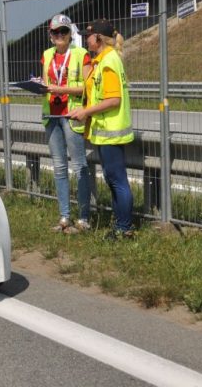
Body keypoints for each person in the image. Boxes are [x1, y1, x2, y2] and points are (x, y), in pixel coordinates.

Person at [68, 19, 135, 240]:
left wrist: (87, 112)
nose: (86, 40)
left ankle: (124, 228)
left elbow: (113, 99)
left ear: (98, 38)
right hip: (106, 130)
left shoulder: (108, 62)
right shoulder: (103, 60)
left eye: (88, 36)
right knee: (113, 179)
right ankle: (120, 226)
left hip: (111, 131)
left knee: (117, 180)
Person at [40, 14, 93, 233]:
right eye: (56, 32)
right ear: (50, 35)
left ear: (71, 34)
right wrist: (38, 87)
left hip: (72, 115)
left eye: (64, 31)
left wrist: (61, 90)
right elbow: (46, 83)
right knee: (59, 168)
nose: (60, 36)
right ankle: (64, 217)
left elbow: (88, 88)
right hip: (51, 116)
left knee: (79, 166)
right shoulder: (46, 55)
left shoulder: (82, 55)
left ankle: (84, 218)